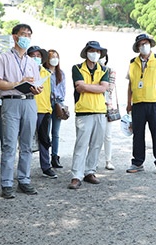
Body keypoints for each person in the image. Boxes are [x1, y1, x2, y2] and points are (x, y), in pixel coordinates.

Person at [0, 23, 43, 199]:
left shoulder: (31, 62)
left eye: (29, 35)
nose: (26, 38)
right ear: (14, 37)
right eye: (23, 34)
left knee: (27, 143)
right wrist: (17, 83)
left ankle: (24, 179)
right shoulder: (3, 58)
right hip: (10, 102)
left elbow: (36, 84)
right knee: (9, 144)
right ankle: (6, 183)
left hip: (29, 102)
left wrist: (37, 89)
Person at [125, 34, 156, 175]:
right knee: (137, 133)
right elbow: (130, 83)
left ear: (150, 44)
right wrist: (128, 102)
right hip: (138, 102)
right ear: (137, 47)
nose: (144, 46)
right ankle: (137, 162)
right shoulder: (133, 62)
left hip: (154, 101)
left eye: (146, 43)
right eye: (141, 44)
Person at [68, 41, 109, 190]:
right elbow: (79, 87)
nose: (95, 54)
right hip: (84, 111)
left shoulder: (104, 69)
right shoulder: (77, 68)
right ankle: (76, 176)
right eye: (92, 51)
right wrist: (96, 87)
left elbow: (104, 87)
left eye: (97, 51)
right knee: (81, 144)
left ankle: (90, 171)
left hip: (99, 110)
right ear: (86, 52)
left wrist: (88, 87)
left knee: (97, 144)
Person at [28, 46, 58, 179]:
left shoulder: (47, 73)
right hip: (28, 109)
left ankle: (46, 167)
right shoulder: (25, 72)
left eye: (38, 55)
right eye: (33, 55)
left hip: (44, 110)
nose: (36, 58)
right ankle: (25, 168)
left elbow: (50, 93)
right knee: (26, 140)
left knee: (44, 140)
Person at [47, 49, 66, 169]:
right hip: (46, 104)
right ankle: (44, 157)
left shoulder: (61, 73)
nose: (54, 59)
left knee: (56, 132)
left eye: (56, 57)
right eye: (52, 57)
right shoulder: (44, 72)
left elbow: (63, 89)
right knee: (45, 132)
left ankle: (55, 156)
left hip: (58, 104)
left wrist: (61, 102)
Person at [101, 56, 116, 170]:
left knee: (108, 135)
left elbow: (109, 88)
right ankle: (93, 161)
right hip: (93, 106)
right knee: (94, 137)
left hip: (108, 106)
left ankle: (108, 160)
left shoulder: (110, 71)